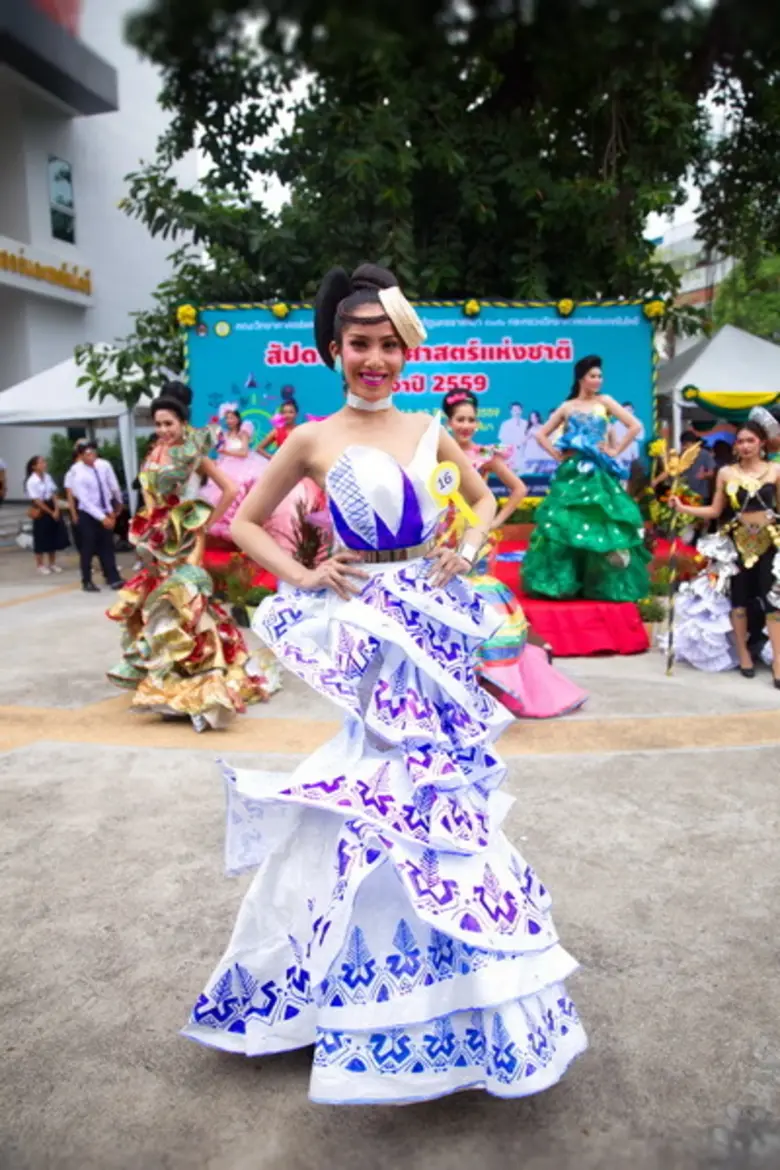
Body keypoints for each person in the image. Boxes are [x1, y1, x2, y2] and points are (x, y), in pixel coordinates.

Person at [182, 263, 587, 1104]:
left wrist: (466, 550)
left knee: (442, 801)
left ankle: (458, 997)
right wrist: (304, 573)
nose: (375, 358)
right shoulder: (311, 440)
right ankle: (351, 985)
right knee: (377, 787)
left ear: (406, 349)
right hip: (363, 628)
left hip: (430, 624)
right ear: (334, 349)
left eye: (387, 344)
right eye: (359, 343)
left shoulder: (430, 430)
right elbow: (248, 523)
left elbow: (488, 504)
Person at [106, 381, 276, 730]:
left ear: (183, 423)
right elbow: (150, 499)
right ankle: (166, 683)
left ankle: (203, 684)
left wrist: (205, 523)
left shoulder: (193, 454)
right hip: (156, 543)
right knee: (156, 606)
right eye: (158, 423)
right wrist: (146, 531)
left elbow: (229, 489)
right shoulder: (154, 453)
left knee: (190, 607)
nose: (163, 430)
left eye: (169, 423)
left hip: (186, 544)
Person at [442, 389, 587, 719]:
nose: (466, 425)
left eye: (471, 420)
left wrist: (494, 520)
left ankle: (491, 683)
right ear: (448, 423)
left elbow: (518, 488)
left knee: (478, 599)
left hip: (476, 540)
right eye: (459, 420)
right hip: (444, 535)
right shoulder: (438, 456)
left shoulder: (486, 455)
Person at [521, 355, 650, 601]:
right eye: (593, 375)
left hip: (598, 472)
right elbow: (541, 434)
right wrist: (557, 455)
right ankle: (564, 582)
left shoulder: (606, 401)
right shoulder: (567, 407)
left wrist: (615, 451)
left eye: (600, 376)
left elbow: (634, 426)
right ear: (581, 378)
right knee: (565, 523)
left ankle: (603, 582)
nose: (598, 380)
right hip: (571, 472)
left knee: (601, 520)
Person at [670, 419, 780, 686]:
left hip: (769, 541)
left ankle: (778, 660)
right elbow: (715, 511)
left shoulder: (775, 470)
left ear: (761, 443)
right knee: (738, 599)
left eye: (750, 441)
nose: (744, 446)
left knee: (773, 601)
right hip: (736, 545)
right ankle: (743, 654)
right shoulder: (726, 473)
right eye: (740, 441)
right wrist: (683, 508)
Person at [201, 402, 269, 544]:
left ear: (238, 419)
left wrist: (226, 451)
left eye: (232, 417)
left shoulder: (243, 433)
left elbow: (244, 452)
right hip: (225, 465)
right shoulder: (224, 434)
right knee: (218, 494)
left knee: (239, 493)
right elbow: (220, 451)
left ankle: (239, 527)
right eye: (227, 418)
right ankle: (218, 529)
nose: (229, 421)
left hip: (242, 466)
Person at [65, 442, 124, 593]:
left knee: (107, 545)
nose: (92, 457)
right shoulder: (77, 472)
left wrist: (111, 510)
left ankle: (113, 577)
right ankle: (87, 580)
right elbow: (85, 500)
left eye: (93, 453)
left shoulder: (102, 466)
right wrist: (101, 517)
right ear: (81, 456)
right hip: (88, 513)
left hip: (104, 509)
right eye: (87, 454)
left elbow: (108, 487)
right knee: (88, 547)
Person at [24, 456, 69, 574]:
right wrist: (50, 511)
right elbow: (37, 500)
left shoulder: (47, 477)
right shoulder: (31, 481)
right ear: (34, 466)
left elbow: (53, 493)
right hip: (41, 509)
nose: (44, 464)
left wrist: (56, 509)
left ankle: (52, 563)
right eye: (41, 462)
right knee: (41, 537)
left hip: (52, 505)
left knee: (53, 536)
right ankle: (40, 564)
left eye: (44, 462)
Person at [610, 401, 644, 475]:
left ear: (633, 411)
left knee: (634, 475)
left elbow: (640, 437)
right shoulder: (616, 424)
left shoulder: (638, 423)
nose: (628, 412)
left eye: (630, 410)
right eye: (625, 410)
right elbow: (615, 441)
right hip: (621, 455)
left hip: (633, 453)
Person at [498, 401, 529, 473]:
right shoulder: (505, 424)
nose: (516, 412)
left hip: (524, 454)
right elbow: (503, 440)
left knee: (525, 475)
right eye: (514, 410)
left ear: (521, 411)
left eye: (518, 410)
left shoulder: (526, 423)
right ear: (511, 412)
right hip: (511, 455)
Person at [522, 409, 550, 476]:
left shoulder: (542, 427)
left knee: (541, 472)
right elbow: (523, 442)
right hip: (530, 453)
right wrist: (529, 435)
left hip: (541, 453)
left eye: (534, 417)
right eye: (531, 418)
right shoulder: (529, 429)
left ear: (538, 418)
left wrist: (536, 436)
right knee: (530, 472)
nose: (533, 419)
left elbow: (546, 440)